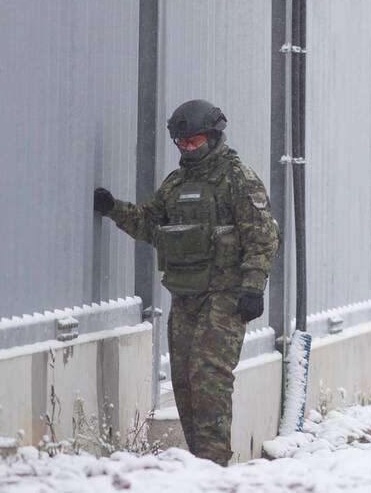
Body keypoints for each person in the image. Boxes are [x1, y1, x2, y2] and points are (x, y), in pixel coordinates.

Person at [93, 99, 279, 465]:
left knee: (209, 378)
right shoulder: (176, 184)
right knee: (184, 381)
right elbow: (150, 223)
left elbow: (263, 236)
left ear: (213, 136)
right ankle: (198, 466)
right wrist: (114, 208)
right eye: (182, 144)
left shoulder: (237, 179)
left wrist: (253, 285)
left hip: (225, 297)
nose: (188, 149)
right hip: (186, 295)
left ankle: (213, 468)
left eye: (194, 142)